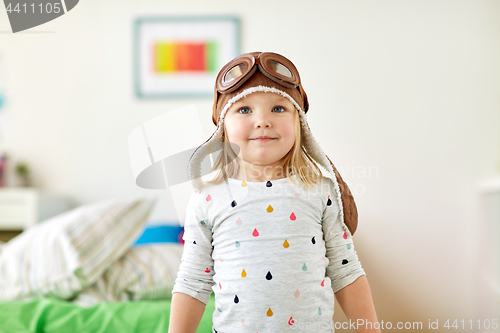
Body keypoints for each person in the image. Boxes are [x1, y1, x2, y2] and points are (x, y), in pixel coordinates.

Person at [169, 52, 380, 333]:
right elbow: (192, 281)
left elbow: (346, 271)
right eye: (244, 110)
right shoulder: (206, 198)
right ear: (223, 126)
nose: (262, 121)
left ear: (299, 123)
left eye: (278, 109)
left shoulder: (321, 191)